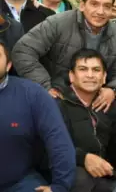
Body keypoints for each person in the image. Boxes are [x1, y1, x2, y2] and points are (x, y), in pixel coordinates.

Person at [12, 0, 116, 113]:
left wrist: (113, 90)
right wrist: (45, 86)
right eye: (94, 4)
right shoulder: (57, 23)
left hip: (94, 103)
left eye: (106, 6)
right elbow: (23, 51)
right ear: (82, 5)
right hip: (54, 98)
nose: (100, 11)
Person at [57, 49, 116, 192]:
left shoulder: (110, 104)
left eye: (96, 70)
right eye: (83, 69)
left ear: (104, 77)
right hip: (71, 177)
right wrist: (83, 158)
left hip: (108, 176)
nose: (90, 75)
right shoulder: (57, 103)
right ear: (72, 76)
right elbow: (49, 146)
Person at [0, 40, 76, 192]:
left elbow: (58, 140)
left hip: (18, 182)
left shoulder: (32, 94)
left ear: (8, 65)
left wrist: (60, 186)